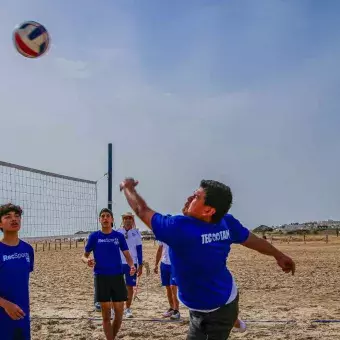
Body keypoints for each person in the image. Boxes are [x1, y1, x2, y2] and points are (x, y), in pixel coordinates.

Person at [120, 178, 295, 340]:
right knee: (226, 302)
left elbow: (141, 210)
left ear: (208, 210)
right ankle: (235, 319)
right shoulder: (226, 221)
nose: (189, 197)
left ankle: (233, 318)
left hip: (213, 311)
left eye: (196, 197)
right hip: (222, 294)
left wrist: (128, 188)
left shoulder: (179, 228)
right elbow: (250, 239)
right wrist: (278, 254)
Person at [82, 208, 136, 340]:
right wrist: (87, 261)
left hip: (117, 277)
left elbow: (127, 254)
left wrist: (132, 265)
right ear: (100, 220)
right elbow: (84, 256)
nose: (105, 218)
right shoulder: (94, 236)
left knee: (119, 315)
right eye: (102, 216)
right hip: (101, 277)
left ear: (112, 219)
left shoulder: (118, 236)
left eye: (107, 216)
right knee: (106, 315)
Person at [0, 203, 34, 340]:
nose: (14, 219)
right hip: (3, 316)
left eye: (17, 216)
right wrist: (5, 304)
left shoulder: (28, 249)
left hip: (22, 314)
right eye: (8, 217)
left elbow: (20, 282)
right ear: (0, 224)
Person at [116, 212, 143, 318]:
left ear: (132, 220)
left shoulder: (136, 233)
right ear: (123, 220)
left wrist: (140, 265)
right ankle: (116, 309)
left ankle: (127, 309)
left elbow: (139, 250)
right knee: (117, 286)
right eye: (125, 218)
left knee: (130, 287)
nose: (128, 220)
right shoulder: (118, 232)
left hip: (132, 264)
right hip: (119, 263)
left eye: (130, 218)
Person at [154, 240, 180, 320]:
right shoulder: (163, 234)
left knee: (173, 287)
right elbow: (159, 250)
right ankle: (171, 308)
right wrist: (156, 264)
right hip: (164, 264)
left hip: (175, 264)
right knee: (168, 287)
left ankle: (177, 311)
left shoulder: (178, 234)